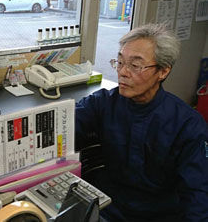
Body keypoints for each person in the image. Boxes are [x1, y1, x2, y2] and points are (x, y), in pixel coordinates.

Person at [75, 24, 208, 221]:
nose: (123, 72)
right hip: (109, 205)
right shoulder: (103, 102)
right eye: (120, 62)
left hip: (158, 213)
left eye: (135, 65)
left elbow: (197, 193)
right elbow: (65, 128)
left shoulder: (187, 124)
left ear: (163, 71)